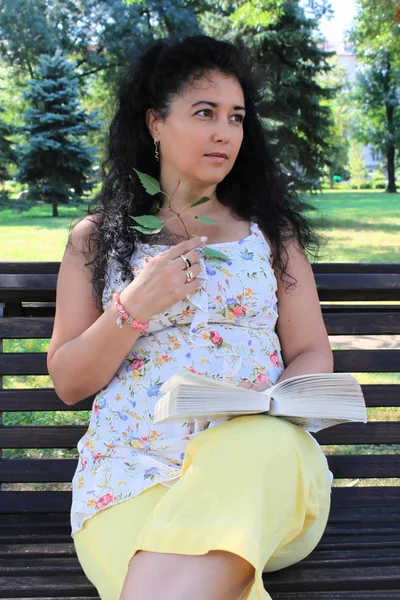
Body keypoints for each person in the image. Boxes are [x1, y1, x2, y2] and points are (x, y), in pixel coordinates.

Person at [47, 34, 334, 600]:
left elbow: (311, 349)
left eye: (236, 117)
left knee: (259, 445)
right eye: (205, 113)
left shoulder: (270, 236)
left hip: (260, 471)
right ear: (155, 123)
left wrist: (281, 403)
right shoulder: (99, 239)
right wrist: (133, 307)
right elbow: (68, 379)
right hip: (129, 478)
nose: (225, 132)